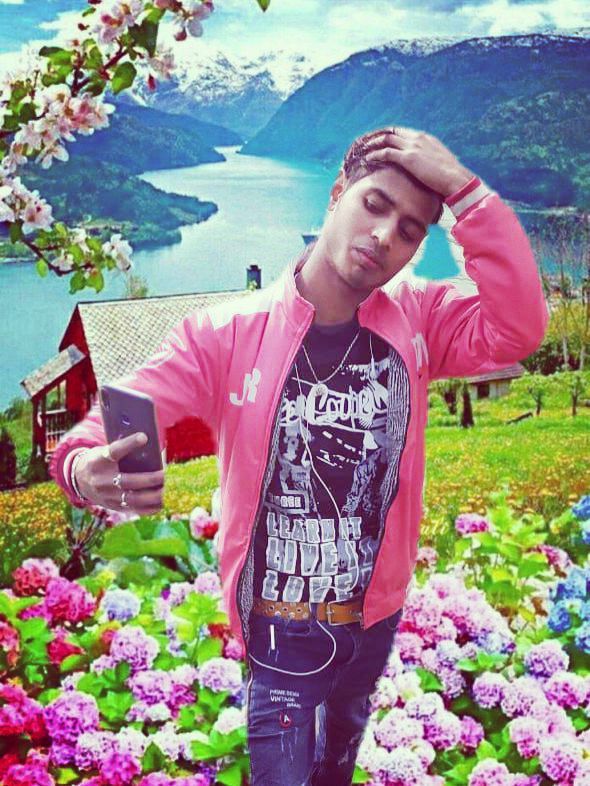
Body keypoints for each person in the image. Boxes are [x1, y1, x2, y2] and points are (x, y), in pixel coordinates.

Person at [49, 125, 550, 786]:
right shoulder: (226, 333)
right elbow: (122, 410)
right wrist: (84, 465)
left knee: (338, 759)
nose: (384, 236)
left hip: (373, 614)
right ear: (338, 192)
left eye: (409, 231)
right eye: (374, 205)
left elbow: (519, 327)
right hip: (278, 626)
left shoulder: (421, 319)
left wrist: (467, 192)